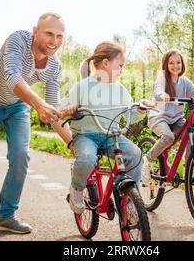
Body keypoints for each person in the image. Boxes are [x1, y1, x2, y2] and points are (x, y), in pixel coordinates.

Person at [0, 12, 73, 233]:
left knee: (20, 156)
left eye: (60, 36)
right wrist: (39, 104)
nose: (54, 42)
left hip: (17, 106)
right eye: (49, 34)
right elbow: (12, 76)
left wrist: (73, 145)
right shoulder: (18, 40)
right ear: (35, 31)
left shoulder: (54, 67)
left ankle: (6, 216)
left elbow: (52, 108)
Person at [63, 41, 154, 214]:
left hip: (112, 136)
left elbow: (129, 114)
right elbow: (64, 111)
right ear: (106, 63)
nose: (122, 70)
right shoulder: (82, 87)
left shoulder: (120, 90)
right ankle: (76, 188)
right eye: (120, 65)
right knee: (87, 159)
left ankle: (129, 198)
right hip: (86, 135)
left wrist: (140, 109)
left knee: (135, 154)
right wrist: (69, 110)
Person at [141, 49, 194, 182]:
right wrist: (163, 95)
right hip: (159, 117)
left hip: (176, 119)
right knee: (168, 137)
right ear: (166, 65)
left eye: (178, 62)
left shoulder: (185, 82)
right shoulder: (162, 78)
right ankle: (147, 160)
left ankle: (188, 168)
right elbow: (158, 91)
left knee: (191, 134)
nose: (175, 66)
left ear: (182, 64)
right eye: (171, 63)